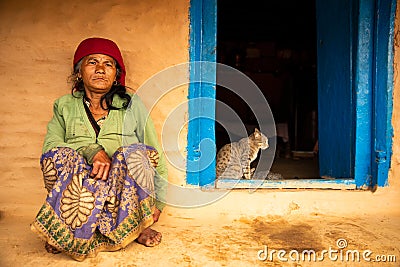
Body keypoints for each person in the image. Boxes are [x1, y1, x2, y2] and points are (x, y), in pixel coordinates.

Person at [30, 37, 168, 261]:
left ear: (116, 75)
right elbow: (50, 145)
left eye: (108, 64)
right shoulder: (64, 105)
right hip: (79, 198)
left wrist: (159, 203)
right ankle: (65, 229)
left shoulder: (131, 105)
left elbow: (155, 152)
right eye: (92, 62)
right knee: (59, 155)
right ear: (79, 72)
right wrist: (90, 150)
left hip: (122, 195)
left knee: (134, 154)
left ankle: (136, 226)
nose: (101, 69)